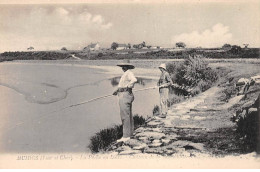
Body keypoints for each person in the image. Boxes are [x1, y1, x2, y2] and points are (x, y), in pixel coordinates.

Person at [112, 60, 137, 142]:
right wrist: (117, 90)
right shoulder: (126, 73)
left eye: (124, 66)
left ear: (128, 66)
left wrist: (127, 87)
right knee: (128, 114)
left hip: (125, 95)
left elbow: (134, 80)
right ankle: (130, 133)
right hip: (125, 94)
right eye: (122, 66)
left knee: (124, 116)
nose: (123, 68)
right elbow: (122, 85)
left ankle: (126, 136)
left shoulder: (129, 73)